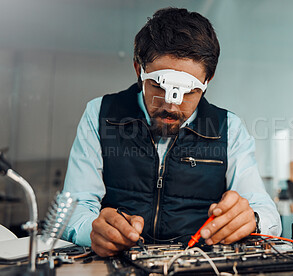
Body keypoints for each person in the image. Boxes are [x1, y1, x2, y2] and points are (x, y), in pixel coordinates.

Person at [62, 7, 281, 257]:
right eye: (158, 86)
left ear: (208, 79)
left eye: (188, 92)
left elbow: (267, 213)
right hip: (120, 263)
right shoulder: (100, 114)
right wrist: (91, 230)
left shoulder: (229, 128)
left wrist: (250, 219)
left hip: (200, 264)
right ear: (138, 69)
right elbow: (74, 207)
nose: (170, 105)